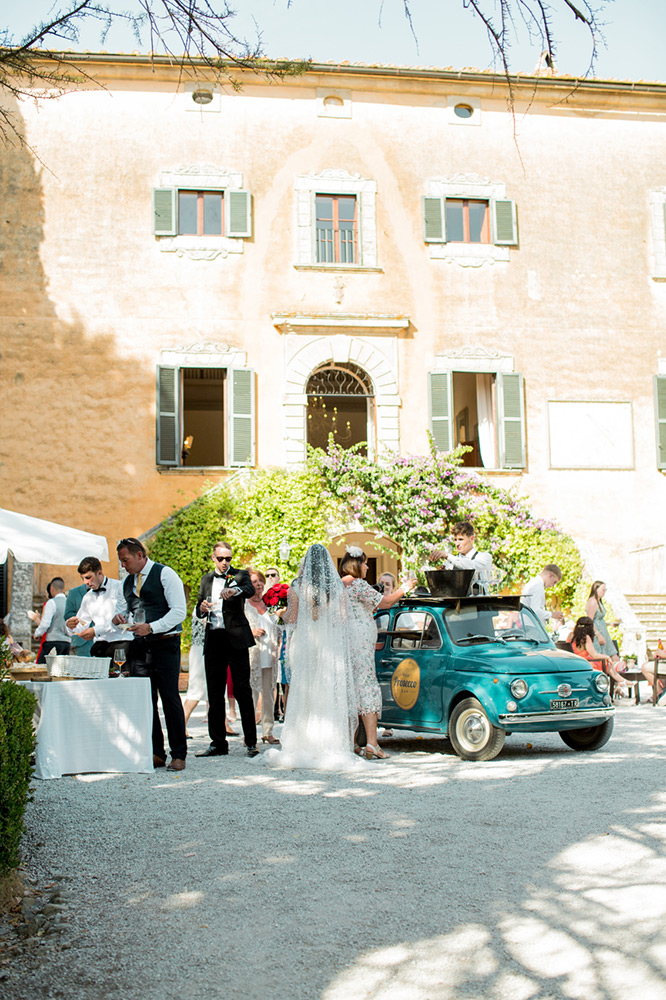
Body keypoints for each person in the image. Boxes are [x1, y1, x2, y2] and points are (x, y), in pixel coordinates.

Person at [268, 543, 359, 769]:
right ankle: (329, 742)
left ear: (307, 563)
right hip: (329, 645)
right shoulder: (337, 588)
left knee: (305, 688)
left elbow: (292, 617)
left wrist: (279, 613)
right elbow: (342, 619)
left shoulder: (298, 586)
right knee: (327, 689)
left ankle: (304, 741)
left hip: (307, 644)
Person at [112, 537, 188, 772]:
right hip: (139, 646)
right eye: (121, 561)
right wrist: (117, 620)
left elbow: (179, 612)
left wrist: (152, 627)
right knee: (146, 700)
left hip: (165, 644)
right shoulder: (126, 582)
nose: (124, 565)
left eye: (126, 560)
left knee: (169, 698)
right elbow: (121, 612)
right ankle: (156, 752)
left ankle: (179, 754)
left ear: (140, 556)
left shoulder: (166, 574)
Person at [340, 545, 417, 760]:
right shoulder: (358, 584)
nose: (366, 567)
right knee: (366, 685)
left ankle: (354, 742)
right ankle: (372, 744)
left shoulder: (340, 585)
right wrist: (405, 588)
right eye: (364, 563)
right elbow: (386, 602)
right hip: (360, 638)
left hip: (347, 638)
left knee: (353, 686)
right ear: (356, 564)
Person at [194, 541, 259, 759]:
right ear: (213, 558)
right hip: (214, 639)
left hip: (236, 640)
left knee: (243, 690)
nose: (224, 562)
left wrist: (234, 590)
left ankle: (251, 742)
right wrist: (201, 609)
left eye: (228, 559)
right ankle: (218, 743)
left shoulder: (240, 576)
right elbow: (198, 608)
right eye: (220, 558)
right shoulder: (206, 579)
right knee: (214, 692)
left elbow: (249, 590)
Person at [66, 556, 128, 660]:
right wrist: (70, 625)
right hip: (100, 646)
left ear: (99, 573)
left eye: (88, 577)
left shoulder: (119, 587)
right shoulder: (88, 597)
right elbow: (82, 624)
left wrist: (95, 630)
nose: (85, 582)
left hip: (122, 642)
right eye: (83, 578)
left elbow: (122, 620)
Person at [246, 569, 280, 745]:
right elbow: (237, 628)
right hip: (253, 655)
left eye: (260, 581)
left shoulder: (270, 605)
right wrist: (251, 632)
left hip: (270, 655)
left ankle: (268, 731)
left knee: (269, 694)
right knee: (251, 694)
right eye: (254, 581)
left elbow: (278, 627)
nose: (258, 584)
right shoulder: (244, 605)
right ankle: (249, 733)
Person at [571, 616, 634, 692]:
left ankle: (620, 682)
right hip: (585, 663)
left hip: (574, 662)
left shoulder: (571, 635)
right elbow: (594, 655)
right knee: (607, 663)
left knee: (606, 663)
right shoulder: (586, 638)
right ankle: (621, 681)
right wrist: (607, 657)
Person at [430, 521, 493, 594]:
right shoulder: (449, 562)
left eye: (460, 539)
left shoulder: (484, 557)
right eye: (455, 540)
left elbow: (471, 567)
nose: (457, 543)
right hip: (456, 603)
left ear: (472, 539)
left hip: (479, 603)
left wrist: (447, 556)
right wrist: (441, 575)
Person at [586, 581, 626, 671]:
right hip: (597, 633)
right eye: (602, 590)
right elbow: (590, 620)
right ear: (596, 589)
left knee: (614, 657)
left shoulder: (598, 601)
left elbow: (598, 620)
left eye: (605, 590)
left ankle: (617, 681)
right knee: (607, 658)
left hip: (603, 632)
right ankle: (616, 680)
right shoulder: (592, 601)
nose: (604, 592)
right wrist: (598, 635)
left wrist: (610, 624)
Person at [182, 608, 208, 737]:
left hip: (209, 649)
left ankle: (224, 723)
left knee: (215, 690)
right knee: (196, 690)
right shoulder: (202, 607)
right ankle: (182, 724)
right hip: (201, 651)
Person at [33, 578, 71, 662]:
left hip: (53, 641)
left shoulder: (51, 602)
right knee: (61, 671)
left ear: (52, 589)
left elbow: (45, 624)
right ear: (63, 589)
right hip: (66, 643)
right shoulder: (69, 603)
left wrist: (37, 633)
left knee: (42, 668)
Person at [64, 581, 94, 657]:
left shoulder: (106, 591)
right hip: (82, 640)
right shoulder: (74, 592)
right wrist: (82, 618)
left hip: (102, 639)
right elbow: (67, 614)